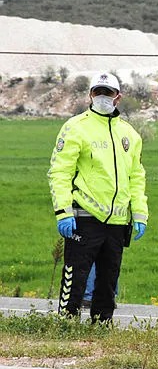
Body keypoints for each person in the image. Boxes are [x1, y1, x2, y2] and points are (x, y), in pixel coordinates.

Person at [48, 72, 148, 323]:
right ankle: (65, 325)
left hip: (116, 222)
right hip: (84, 217)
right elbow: (60, 171)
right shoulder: (76, 127)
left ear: (118, 97)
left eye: (108, 92)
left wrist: (140, 213)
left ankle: (101, 326)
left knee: (108, 280)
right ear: (90, 95)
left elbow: (136, 176)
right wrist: (63, 211)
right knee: (76, 276)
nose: (103, 97)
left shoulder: (130, 134)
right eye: (98, 92)